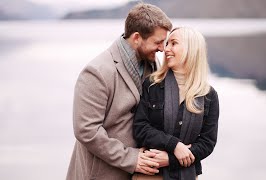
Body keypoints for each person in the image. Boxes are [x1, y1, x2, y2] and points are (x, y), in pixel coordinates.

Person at [66, 3, 173, 180]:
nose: (162, 48)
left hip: (139, 173)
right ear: (137, 38)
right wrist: (131, 158)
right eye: (158, 42)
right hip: (101, 173)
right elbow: (86, 130)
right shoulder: (97, 72)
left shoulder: (153, 64)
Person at [133, 27, 220, 180]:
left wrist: (170, 159)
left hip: (188, 175)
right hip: (151, 174)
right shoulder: (152, 85)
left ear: (191, 49)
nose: (166, 49)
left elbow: (207, 143)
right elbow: (140, 128)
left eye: (173, 43)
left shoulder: (209, 95)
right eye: (167, 44)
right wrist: (174, 145)